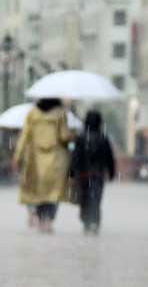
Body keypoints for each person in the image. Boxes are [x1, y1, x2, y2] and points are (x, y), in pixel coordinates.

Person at [13, 98, 75, 233]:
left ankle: (41, 219)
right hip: (56, 159)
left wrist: (17, 156)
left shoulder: (32, 113)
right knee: (54, 192)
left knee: (39, 192)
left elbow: (24, 136)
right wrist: (72, 138)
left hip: (36, 159)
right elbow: (64, 136)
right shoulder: (60, 114)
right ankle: (49, 220)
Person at [69, 110, 116, 234]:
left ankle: (86, 221)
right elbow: (109, 157)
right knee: (96, 198)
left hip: (83, 175)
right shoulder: (103, 138)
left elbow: (75, 157)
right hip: (98, 175)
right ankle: (95, 221)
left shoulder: (80, 137)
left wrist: (71, 172)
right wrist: (111, 172)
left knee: (84, 198)